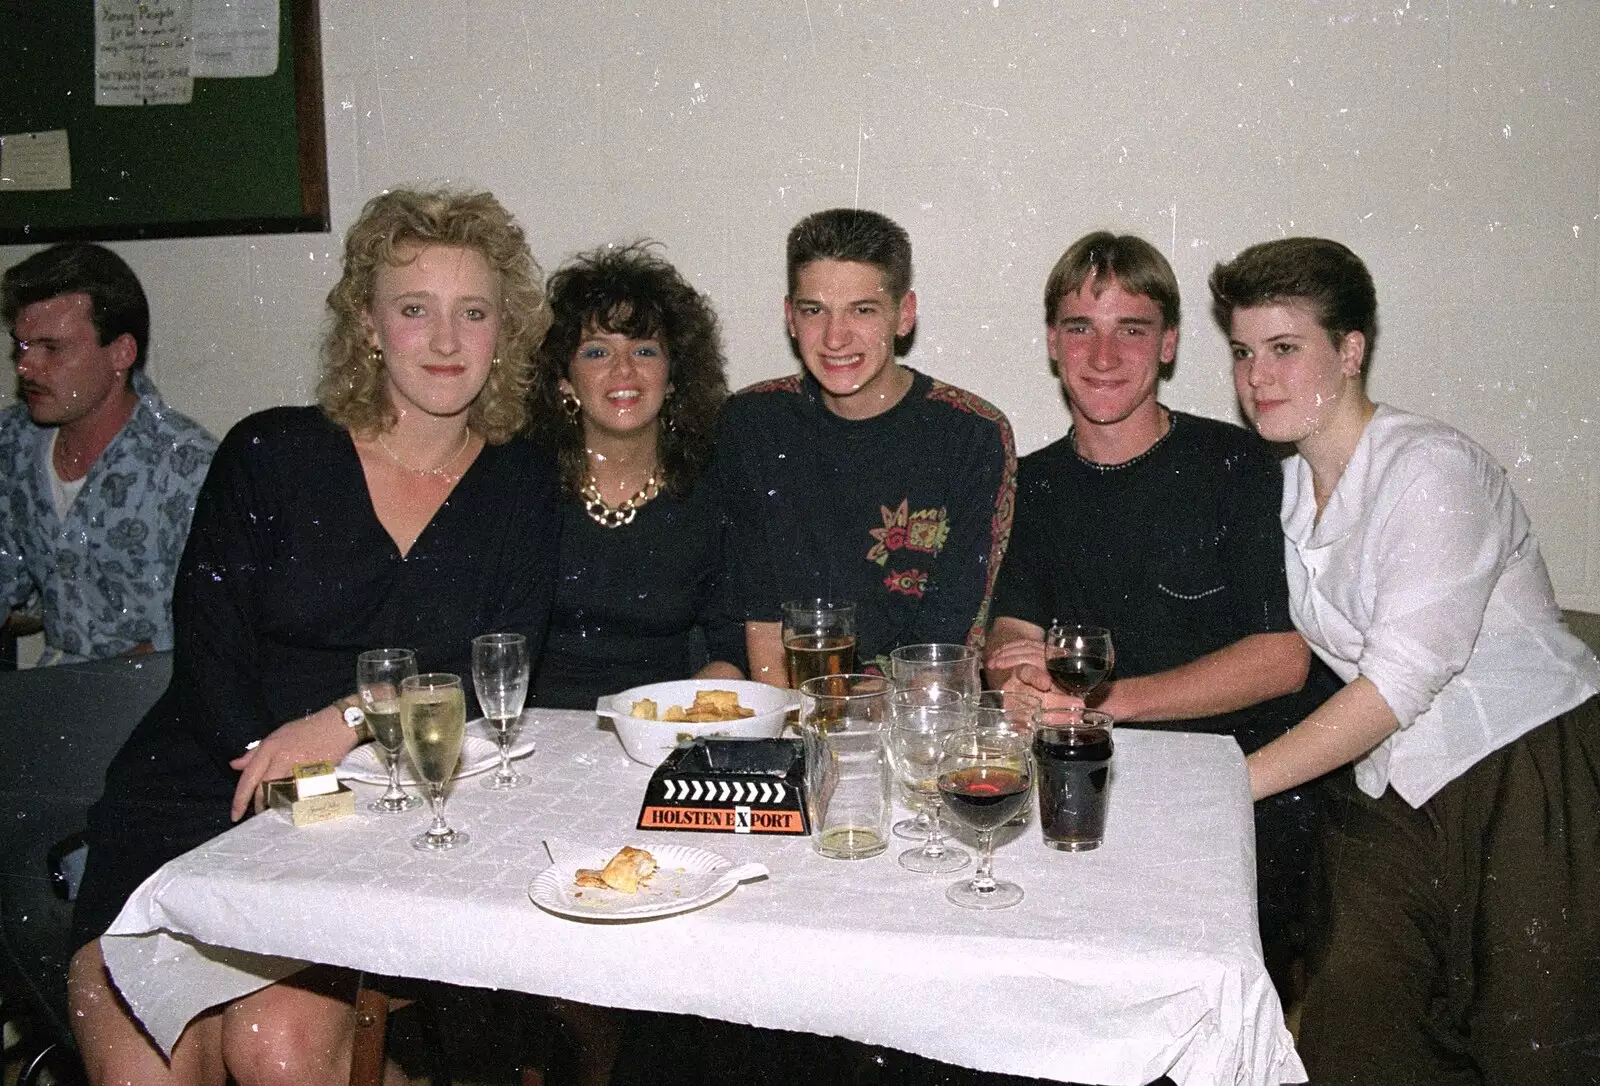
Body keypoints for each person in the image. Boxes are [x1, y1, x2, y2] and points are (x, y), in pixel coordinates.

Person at [66, 187, 562, 1086]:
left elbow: (500, 662)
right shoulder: (272, 452)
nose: (446, 341)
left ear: (505, 333)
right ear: (369, 326)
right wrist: (276, 759)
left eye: (473, 312)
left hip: (381, 810)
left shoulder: (522, 482)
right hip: (205, 795)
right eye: (416, 310)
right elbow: (210, 653)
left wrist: (349, 719)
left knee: (275, 1049)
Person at [1211, 236, 1600, 1085]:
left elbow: (1399, 682)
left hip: (1521, 773)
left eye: (1285, 349)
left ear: (1350, 352)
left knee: (1532, 1035)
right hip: (1394, 780)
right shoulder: (1283, 490)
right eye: (1243, 353)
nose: (1258, 378)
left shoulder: (1429, 467)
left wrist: (1227, 785)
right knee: (1359, 1019)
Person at [984, 231, 1339, 1000]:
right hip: (1086, 784)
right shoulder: (1032, 482)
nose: (1103, 355)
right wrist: (1017, 668)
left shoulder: (1239, 463)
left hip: (1233, 790)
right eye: (1081, 327)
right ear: (1053, 342)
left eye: (1131, 329)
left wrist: (1105, 702)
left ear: (1169, 343)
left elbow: (1282, 658)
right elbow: (1012, 625)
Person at [717, 207, 1015, 682]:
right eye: (815, 311)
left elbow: (952, 634)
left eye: (862, 310)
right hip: (790, 707)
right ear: (790, 317)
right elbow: (760, 614)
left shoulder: (970, 432)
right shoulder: (753, 421)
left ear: (904, 316)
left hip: (915, 712)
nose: (835, 338)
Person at [527, 242, 744, 709]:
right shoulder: (523, 485)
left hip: (663, 732)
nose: (623, 370)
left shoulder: (712, 489)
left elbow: (731, 650)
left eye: (644, 350)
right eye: (596, 352)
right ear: (563, 380)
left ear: (672, 378)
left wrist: (689, 717)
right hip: (534, 737)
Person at [1, 242, 216, 665]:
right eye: (22, 347)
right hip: (53, 688)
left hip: (153, 694)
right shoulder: (13, 442)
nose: (26, 367)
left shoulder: (186, 466)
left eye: (52, 348)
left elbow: (208, 626)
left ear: (121, 353)